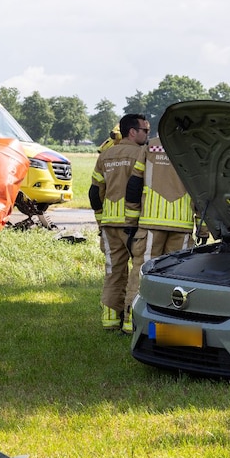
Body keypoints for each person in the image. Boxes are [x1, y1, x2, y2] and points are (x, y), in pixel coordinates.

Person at [89, 114, 149, 333]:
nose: (147, 135)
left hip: (109, 225)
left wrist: (100, 221)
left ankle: (110, 320)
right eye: (145, 130)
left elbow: (95, 193)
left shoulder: (105, 156)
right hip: (134, 223)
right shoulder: (143, 154)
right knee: (137, 271)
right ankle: (130, 321)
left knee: (113, 272)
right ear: (132, 132)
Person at [127, 136, 202, 266]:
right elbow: (202, 192)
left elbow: (135, 184)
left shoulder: (150, 146)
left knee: (144, 269)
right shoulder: (195, 147)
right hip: (182, 224)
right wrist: (203, 229)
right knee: (176, 271)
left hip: (150, 222)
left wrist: (131, 223)